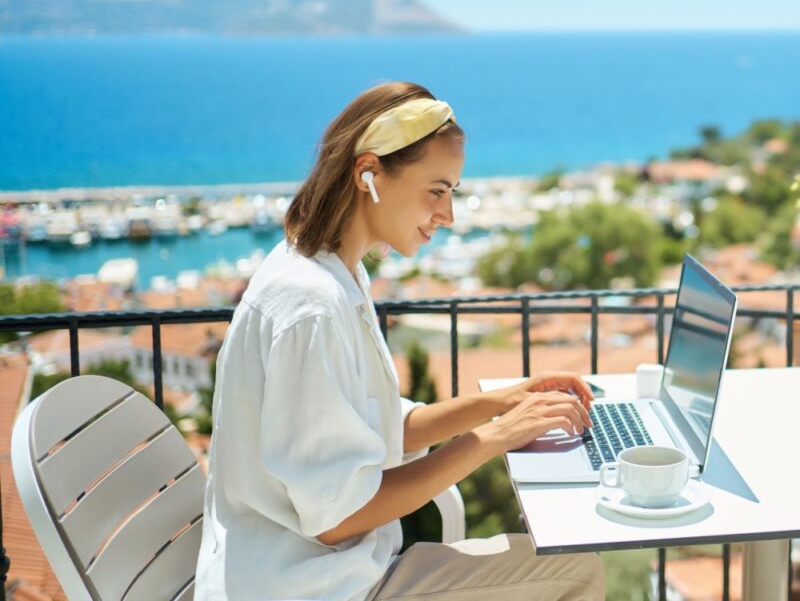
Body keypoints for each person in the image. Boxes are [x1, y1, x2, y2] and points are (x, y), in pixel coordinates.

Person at [196, 81, 605, 600]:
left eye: (451, 193)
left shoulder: (331, 274)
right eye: (436, 190)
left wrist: (504, 402)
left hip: (328, 572)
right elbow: (337, 518)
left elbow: (383, 426)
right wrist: (492, 439)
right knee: (577, 571)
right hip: (316, 586)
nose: (447, 215)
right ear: (369, 174)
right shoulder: (312, 307)